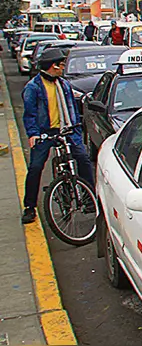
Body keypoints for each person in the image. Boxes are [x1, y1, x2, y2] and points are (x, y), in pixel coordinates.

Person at [21, 48, 96, 224]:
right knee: (36, 167)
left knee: (83, 159)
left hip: (68, 130)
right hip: (45, 132)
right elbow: (29, 114)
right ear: (53, 66)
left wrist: (76, 128)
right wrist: (33, 134)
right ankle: (29, 206)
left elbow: (73, 107)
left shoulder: (63, 84)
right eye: (61, 65)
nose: (63, 68)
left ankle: (89, 197)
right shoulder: (33, 87)